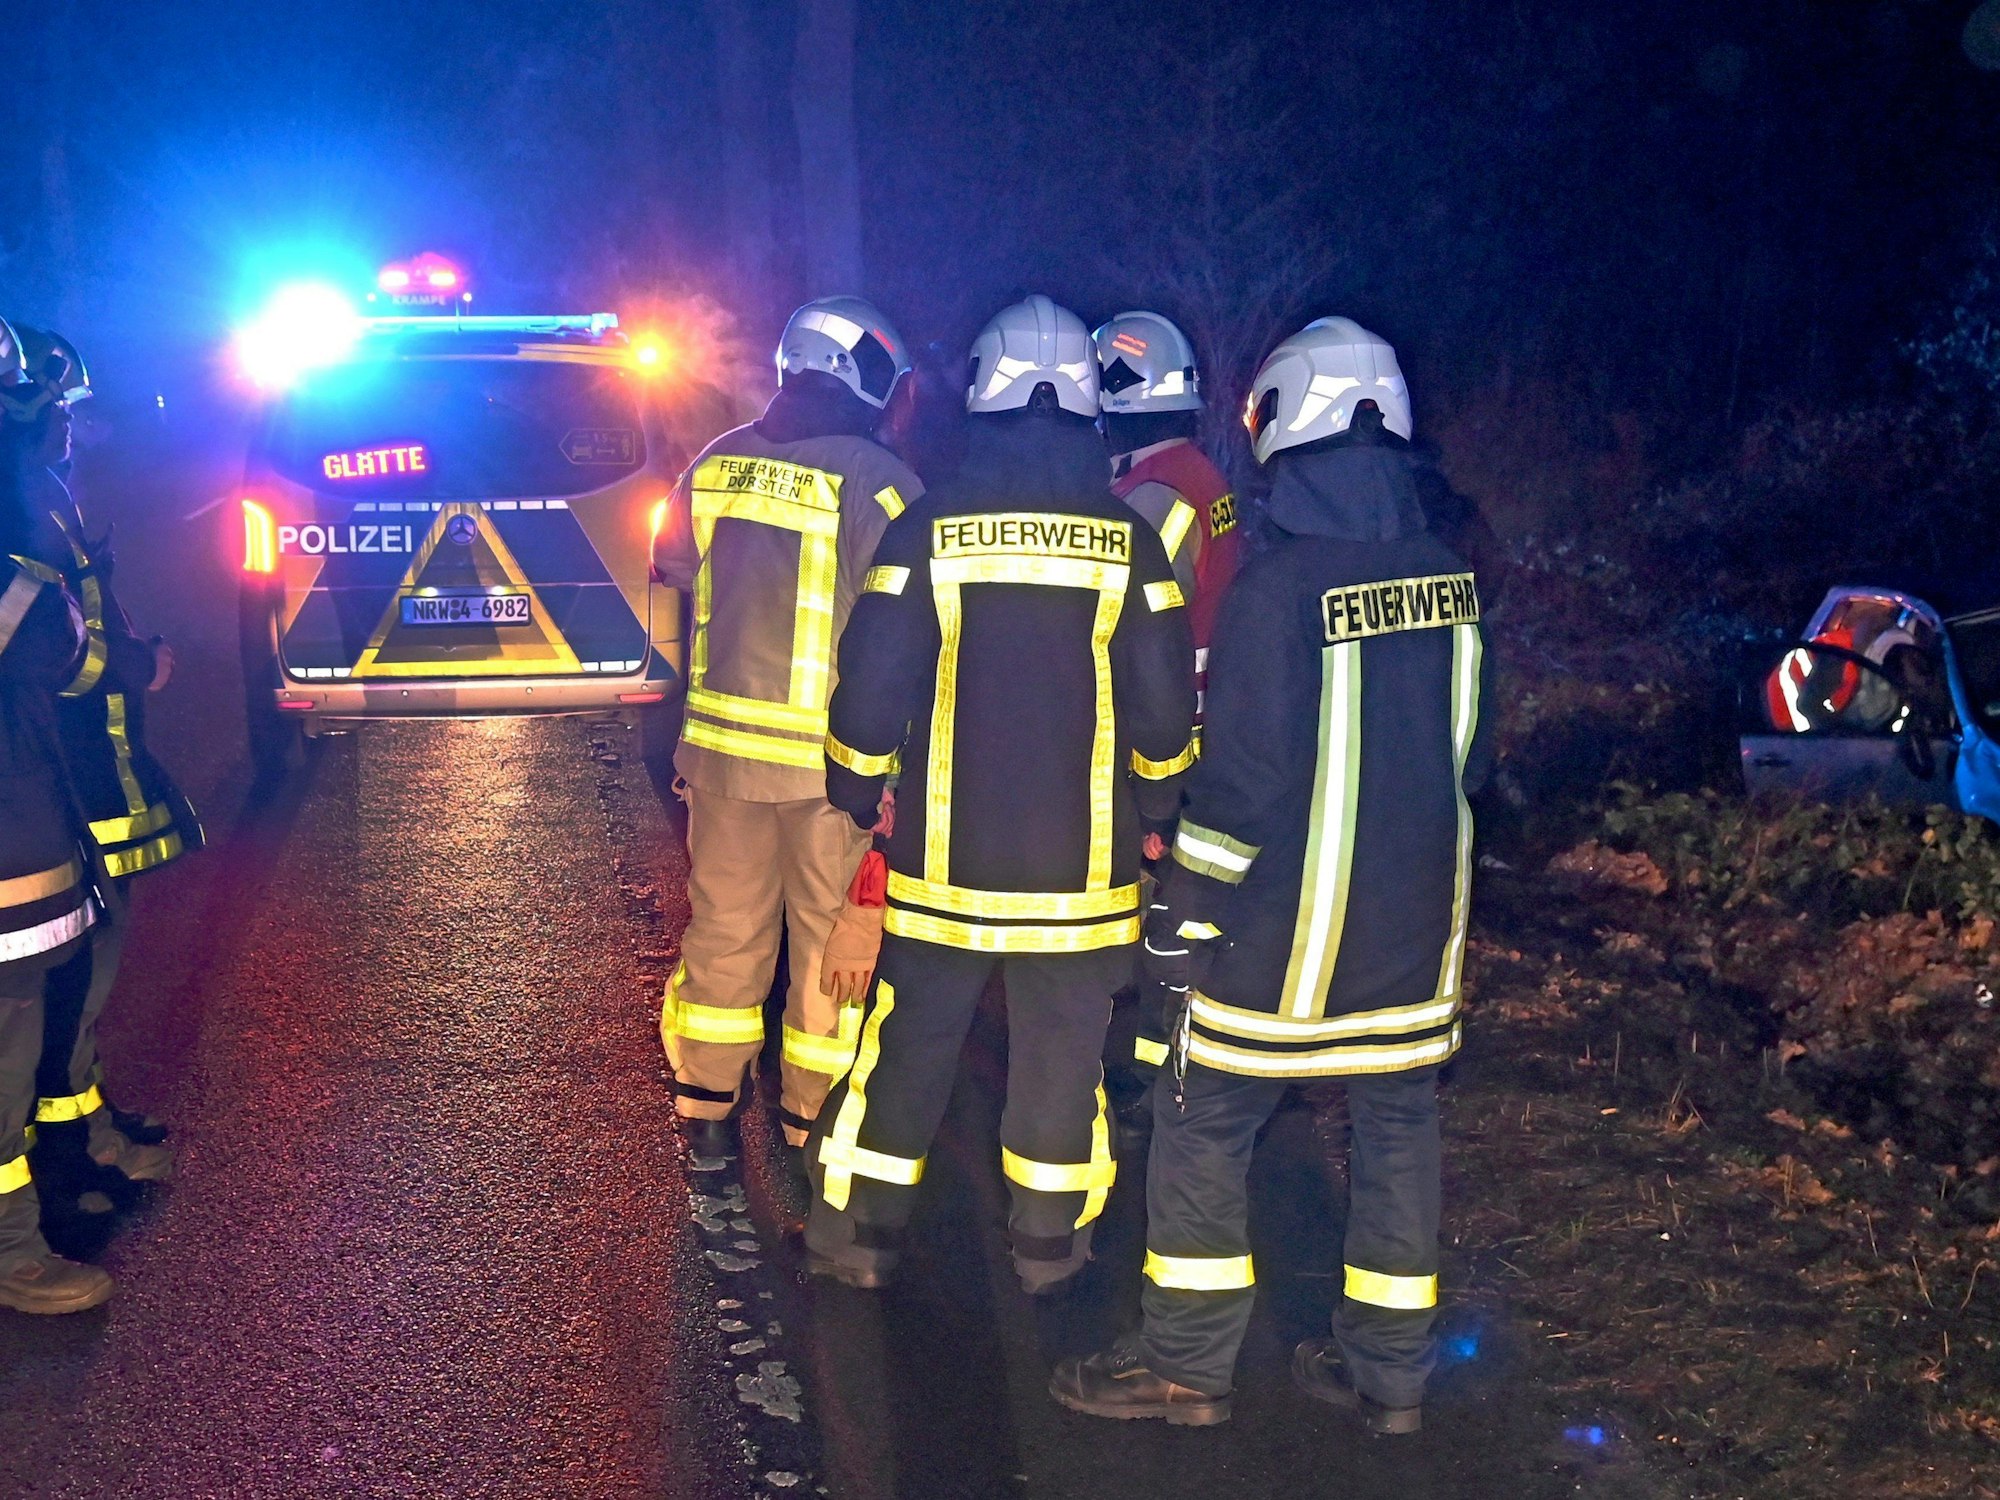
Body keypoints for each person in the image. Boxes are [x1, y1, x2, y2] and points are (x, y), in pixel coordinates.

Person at [1052, 318, 1492, 1430]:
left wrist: (1183, 910)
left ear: (1284, 425)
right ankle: (1391, 1377)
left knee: (1201, 1130)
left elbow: (1240, 785)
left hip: (1279, 946)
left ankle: (1185, 1368)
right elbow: (1475, 759)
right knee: (1396, 1135)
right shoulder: (1451, 576)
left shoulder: (1274, 587)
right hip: (1412, 940)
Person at [802, 294, 1196, 1294]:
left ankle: (860, 1236)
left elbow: (872, 675)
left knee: (908, 1047)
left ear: (980, 395)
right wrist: (1159, 812)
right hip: (1083, 880)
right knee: (1063, 1058)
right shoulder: (1128, 541)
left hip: (942, 870)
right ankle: (1047, 1252)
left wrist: (853, 784)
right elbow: (1161, 710)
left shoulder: (929, 531)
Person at [653, 296, 925, 1158]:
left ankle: (706, 1116)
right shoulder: (880, 481)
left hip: (722, 760)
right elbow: (916, 624)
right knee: (826, 955)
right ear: (869, 378)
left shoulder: (718, 460)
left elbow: (667, 559)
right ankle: (813, 1125)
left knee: (723, 934)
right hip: (829, 772)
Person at [3, 326, 188, 1200]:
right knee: (73, 963)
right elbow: (51, 646)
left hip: (77, 765)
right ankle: (68, 1150)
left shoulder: (37, 490)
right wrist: (136, 665)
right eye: (61, 409)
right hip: (65, 770)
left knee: (82, 962)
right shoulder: (22, 497)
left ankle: (81, 1131)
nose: (73, 427)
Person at [1091, 312, 1243, 1118]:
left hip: (1162, 727)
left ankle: (1151, 1077)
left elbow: (1127, 617)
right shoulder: (1192, 475)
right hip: (1193, 717)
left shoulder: (1157, 496)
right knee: (1168, 908)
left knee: (1157, 910)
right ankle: (1152, 1067)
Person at [0, 316, 115, 1312]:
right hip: (14, 825)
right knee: (9, 1028)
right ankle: (11, 1251)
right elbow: (73, 660)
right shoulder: (24, 531)